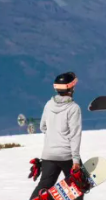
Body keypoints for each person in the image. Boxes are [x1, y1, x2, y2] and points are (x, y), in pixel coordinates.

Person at [29, 72, 83, 200]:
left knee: (44, 186)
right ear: (71, 88)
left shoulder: (49, 104)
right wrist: (76, 160)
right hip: (66, 155)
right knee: (77, 186)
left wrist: (54, 134)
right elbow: (75, 135)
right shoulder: (73, 108)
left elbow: (43, 127)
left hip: (48, 154)